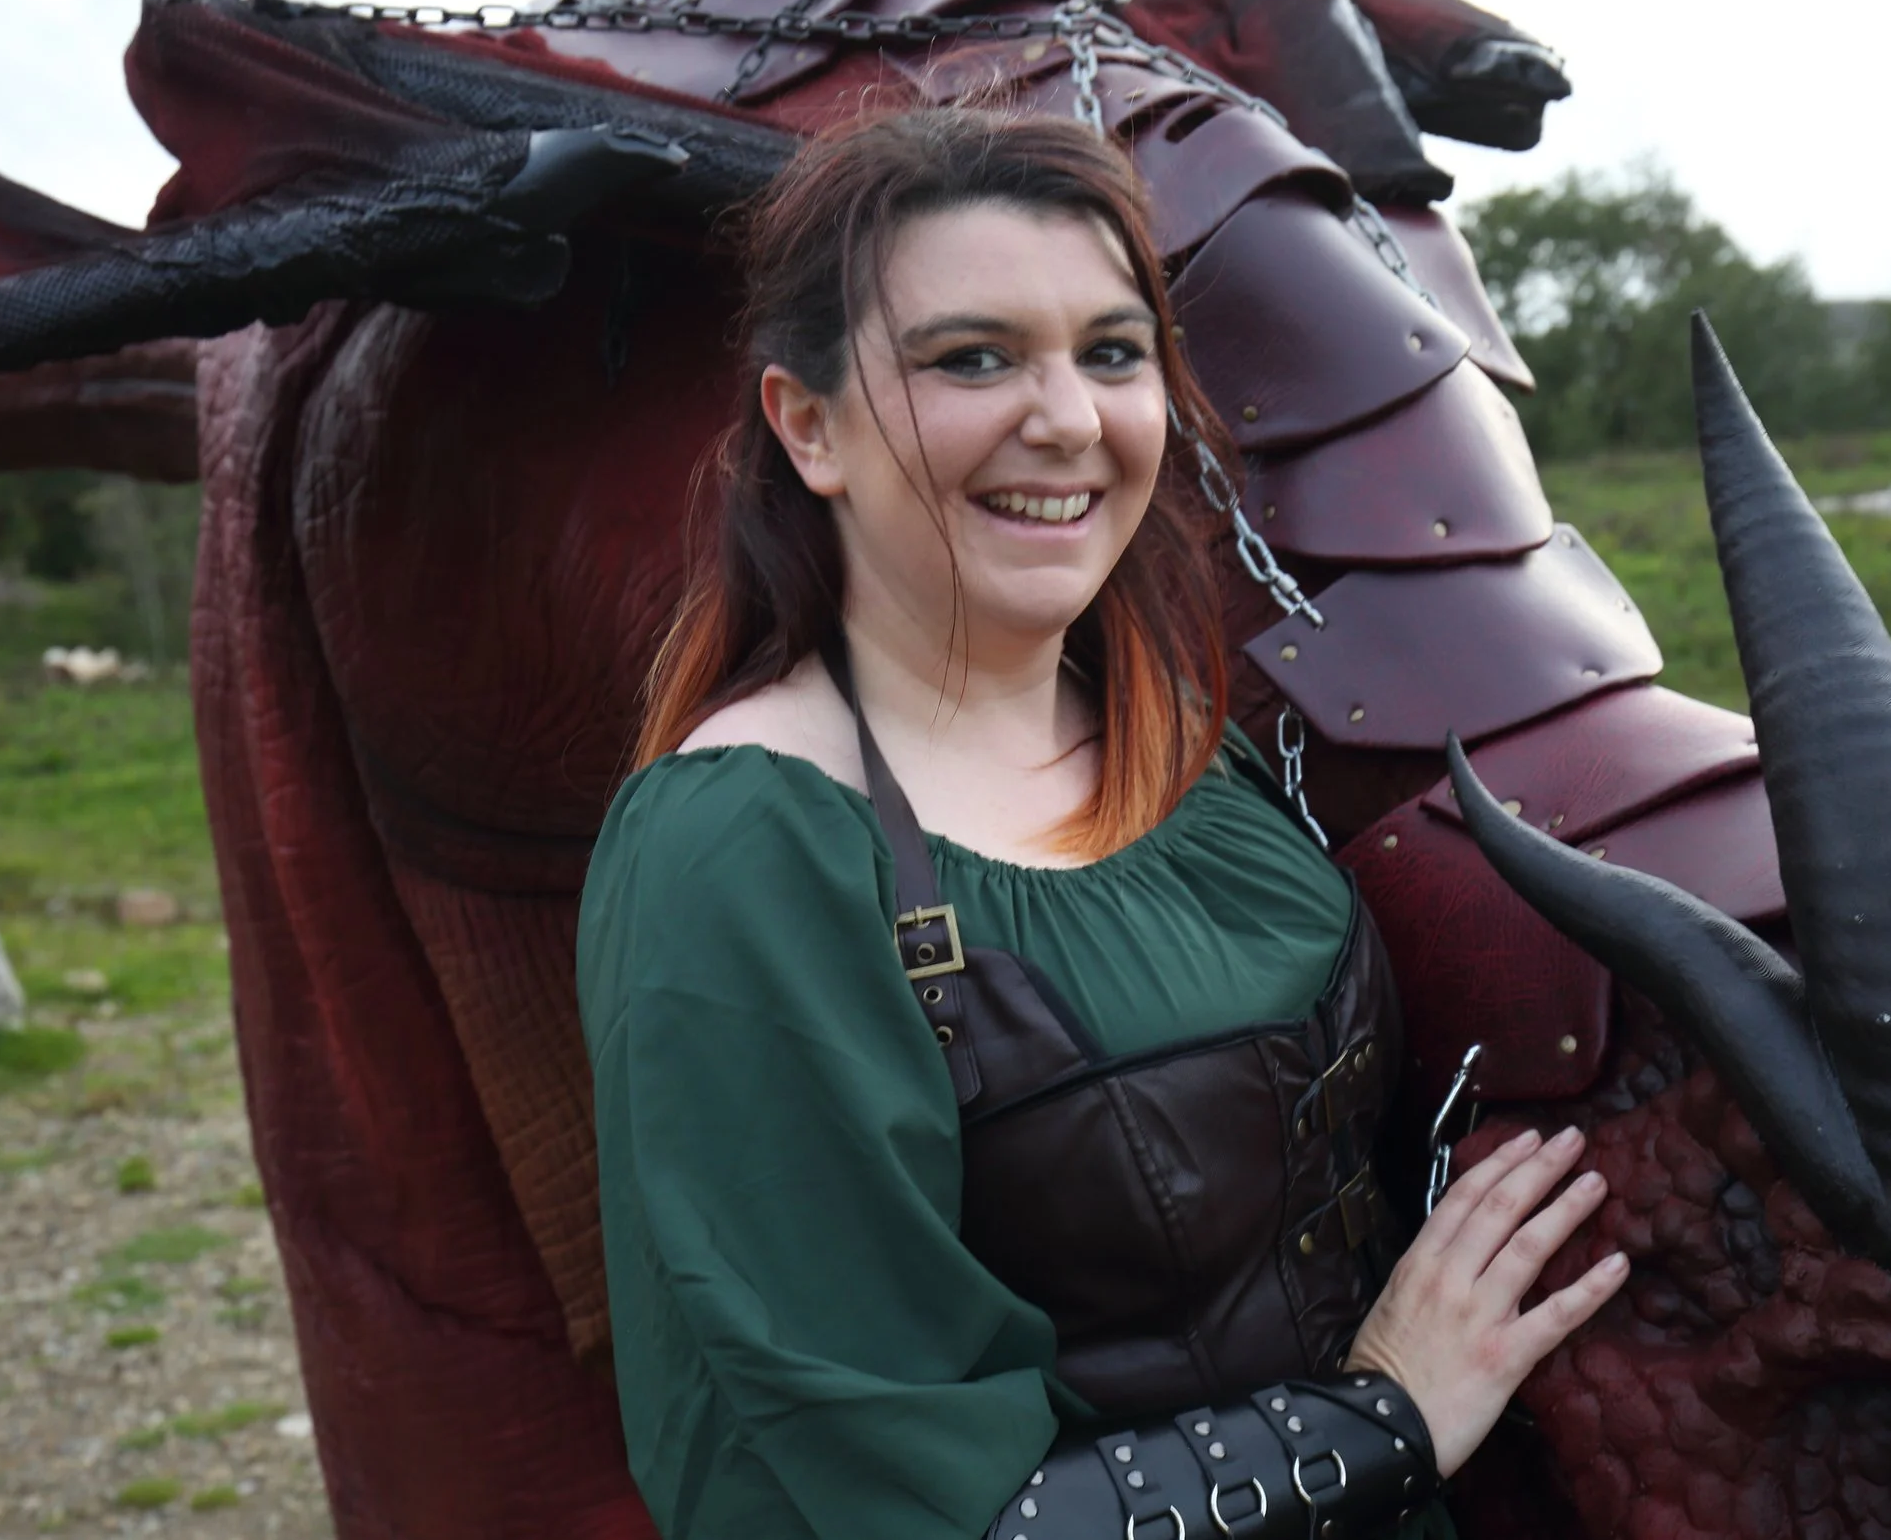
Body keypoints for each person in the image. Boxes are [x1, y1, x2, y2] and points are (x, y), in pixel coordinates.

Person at [576, 108, 1628, 1540]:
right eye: (973, 357)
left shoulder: (1179, 738)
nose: (1069, 418)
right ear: (808, 426)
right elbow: (893, 1504)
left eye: (1113, 352)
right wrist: (1381, 1418)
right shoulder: (747, 853)